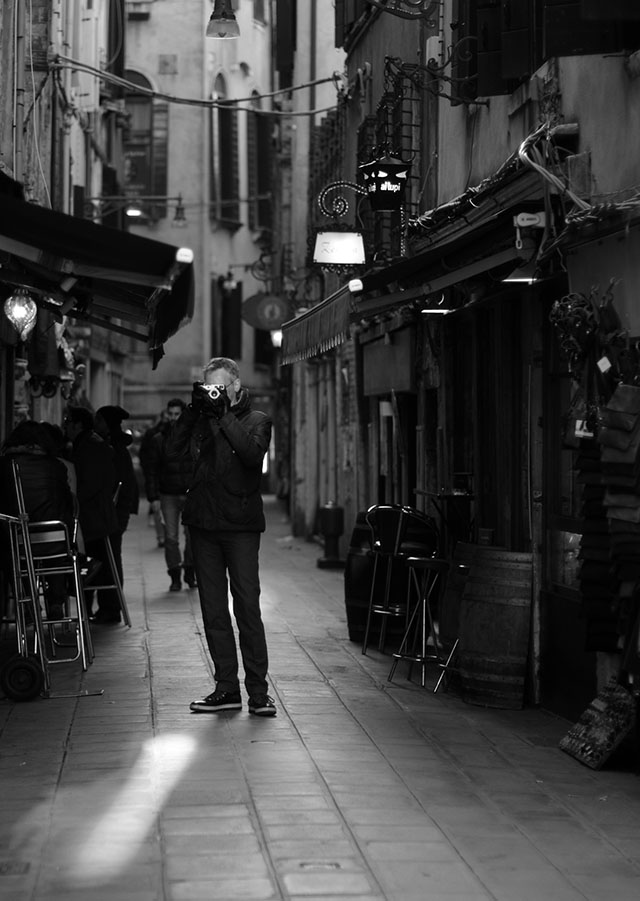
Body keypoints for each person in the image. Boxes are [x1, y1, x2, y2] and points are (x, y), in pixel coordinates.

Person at [165, 357, 275, 716]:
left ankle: (258, 692)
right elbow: (171, 453)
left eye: (220, 388)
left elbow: (251, 455)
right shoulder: (199, 421)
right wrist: (193, 412)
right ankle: (226, 688)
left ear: (237, 387)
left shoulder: (258, 420)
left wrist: (224, 414)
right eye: (208, 387)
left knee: (247, 607)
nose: (214, 394)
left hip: (241, 527)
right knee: (213, 611)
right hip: (203, 525)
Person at [0, 420, 75, 619]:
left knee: (12, 555)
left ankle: (25, 600)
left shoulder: (4, 466)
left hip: (18, 541)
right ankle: (56, 599)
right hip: (54, 538)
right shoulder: (55, 466)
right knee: (56, 550)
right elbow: (68, 502)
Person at [64, 406, 120, 624]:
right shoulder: (87, 444)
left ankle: (92, 608)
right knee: (91, 560)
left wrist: (72, 502)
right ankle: (87, 607)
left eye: (68, 421)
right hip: (96, 515)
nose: (65, 426)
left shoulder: (90, 446)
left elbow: (88, 485)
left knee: (88, 560)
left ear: (78, 425)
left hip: (94, 518)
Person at [145, 398, 196, 592]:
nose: (173, 418)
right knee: (171, 537)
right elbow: (152, 470)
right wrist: (153, 498)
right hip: (168, 495)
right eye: (171, 414)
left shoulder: (193, 437)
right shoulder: (159, 439)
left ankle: (190, 572)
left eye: (177, 414)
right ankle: (175, 575)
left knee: (193, 537)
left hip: (190, 494)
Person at [94, 405, 140, 605]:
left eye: (98, 420)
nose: (95, 424)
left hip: (114, 511)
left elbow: (122, 483)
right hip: (114, 511)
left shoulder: (115, 450)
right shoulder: (110, 446)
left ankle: (111, 606)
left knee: (110, 558)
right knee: (109, 557)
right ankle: (110, 605)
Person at [139, 412, 167, 548]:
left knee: (162, 509)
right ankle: (162, 536)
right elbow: (145, 454)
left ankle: (164, 536)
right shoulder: (153, 435)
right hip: (159, 477)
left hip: (170, 480)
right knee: (158, 508)